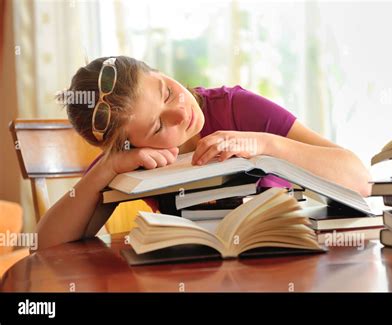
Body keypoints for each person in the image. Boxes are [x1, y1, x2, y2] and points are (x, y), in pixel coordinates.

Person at [37, 56, 371, 250]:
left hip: (288, 262)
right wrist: (109, 168)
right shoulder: (132, 159)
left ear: (161, 72)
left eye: (168, 92)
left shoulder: (234, 107)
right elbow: (47, 245)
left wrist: (264, 145)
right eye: (157, 128)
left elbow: (358, 178)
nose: (181, 113)